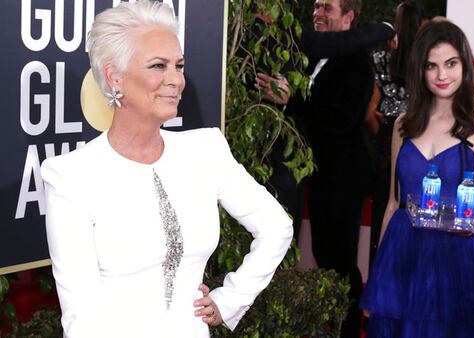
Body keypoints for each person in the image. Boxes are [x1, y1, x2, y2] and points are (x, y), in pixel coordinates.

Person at [41, 2, 293, 337]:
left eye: (179, 65)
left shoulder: (205, 150)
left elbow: (276, 227)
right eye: (158, 66)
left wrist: (231, 299)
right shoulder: (70, 176)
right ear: (115, 76)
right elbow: (80, 316)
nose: (175, 80)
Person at [360, 18, 474, 337]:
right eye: (432, 65)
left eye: (451, 63)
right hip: (402, 259)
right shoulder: (403, 125)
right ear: (419, 69)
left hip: (453, 263)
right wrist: (378, 279)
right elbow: (392, 204)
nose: (442, 74)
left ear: (464, 65)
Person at [257, 1, 375, 337]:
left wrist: (290, 100)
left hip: (343, 176)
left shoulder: (356, 62)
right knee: (325, 253)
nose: (318, 12)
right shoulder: (312, 53)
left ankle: (348, 330)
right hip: (318, 173)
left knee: (338, 260)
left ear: (349, 18)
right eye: (317, 5)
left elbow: (338, 121)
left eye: (328, 7)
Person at [364, 0, 422, 264]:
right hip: (420, 141)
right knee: (418, 212)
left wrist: (382, 137)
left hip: (387, 139)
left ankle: (379, 275)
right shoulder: (426, 65)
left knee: (384, 211)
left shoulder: (380, 60)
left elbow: (369, 112)